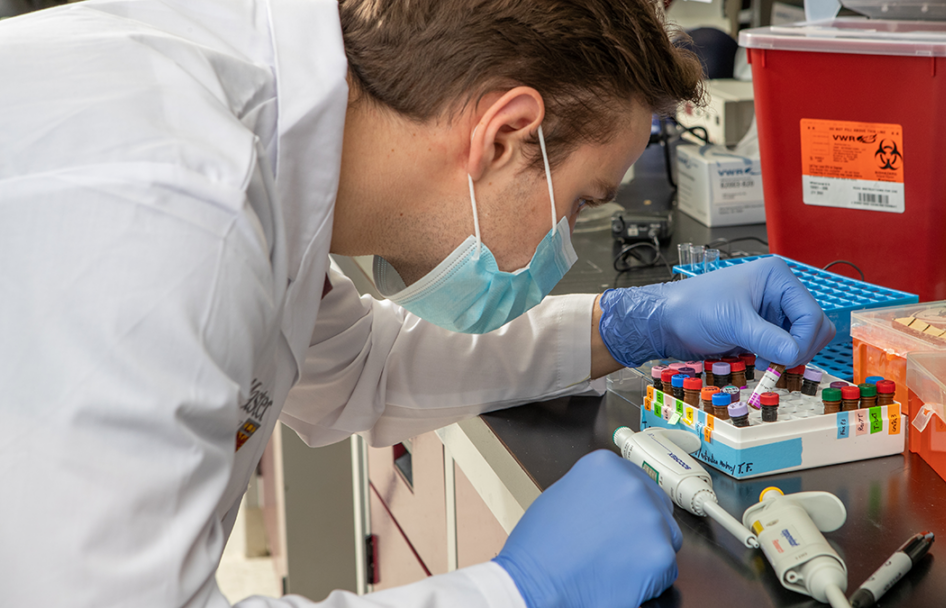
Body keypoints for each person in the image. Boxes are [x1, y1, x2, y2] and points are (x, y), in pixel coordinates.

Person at [0, 0, 835, 607]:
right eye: (582, 200)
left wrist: (629, 324)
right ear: (505, 135)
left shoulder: (268, 144)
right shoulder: (177, 208)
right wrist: (515, 594)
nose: (568, 238)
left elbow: (361, 367)